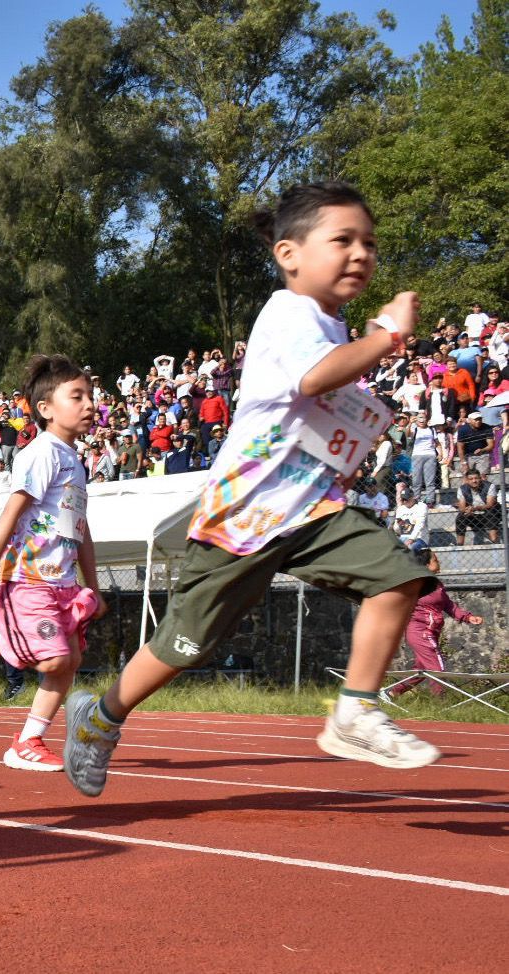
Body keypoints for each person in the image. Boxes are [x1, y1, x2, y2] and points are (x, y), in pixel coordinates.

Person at [62, 182, 442, 800]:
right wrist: (387, 336)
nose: (360, 254)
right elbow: (317, 378)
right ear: (289, 254)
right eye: (342, 240)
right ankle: (100, 718)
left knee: (400, 579)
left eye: (368, 243)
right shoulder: (288, 313)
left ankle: (355, 711)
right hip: (243, 517)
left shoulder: (331, 324)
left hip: (313, 512)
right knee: (184, 646)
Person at [0, 355, 105, 771]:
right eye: (77, 396)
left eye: (91, 396)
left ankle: (27, 741)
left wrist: (91, 585)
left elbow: (81, 529)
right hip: (28, 578)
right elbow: (13, 509)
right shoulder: (42, 454)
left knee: (70, 662)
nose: (89, 404)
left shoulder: (75, 460)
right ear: (45, 409)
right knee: (56, 659)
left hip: (64, 584)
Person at [383, 542, 483, 700]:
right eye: (436, 560)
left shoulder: (437, 585)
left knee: (421, 670)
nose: (439, 562)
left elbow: (448, 605)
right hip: (420, 633)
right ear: (426, 565)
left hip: (432, 632)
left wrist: (468, 617)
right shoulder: (415, 584)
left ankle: (390, 693)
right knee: (437, 669)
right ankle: (440, 704)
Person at [454, 469, 501, 545]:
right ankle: (460, 544)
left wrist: (475, 508)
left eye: (476, 478)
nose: (474, 481)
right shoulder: (462, 489)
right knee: (460, 517)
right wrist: (467, 511)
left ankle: (494, 540)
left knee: (491, 511)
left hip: (488, 513)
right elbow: (462, 507)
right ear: (467, 480)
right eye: (471, 479)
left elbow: (490, 504)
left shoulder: (489, 486)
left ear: (480, 478)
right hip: (473, 515)